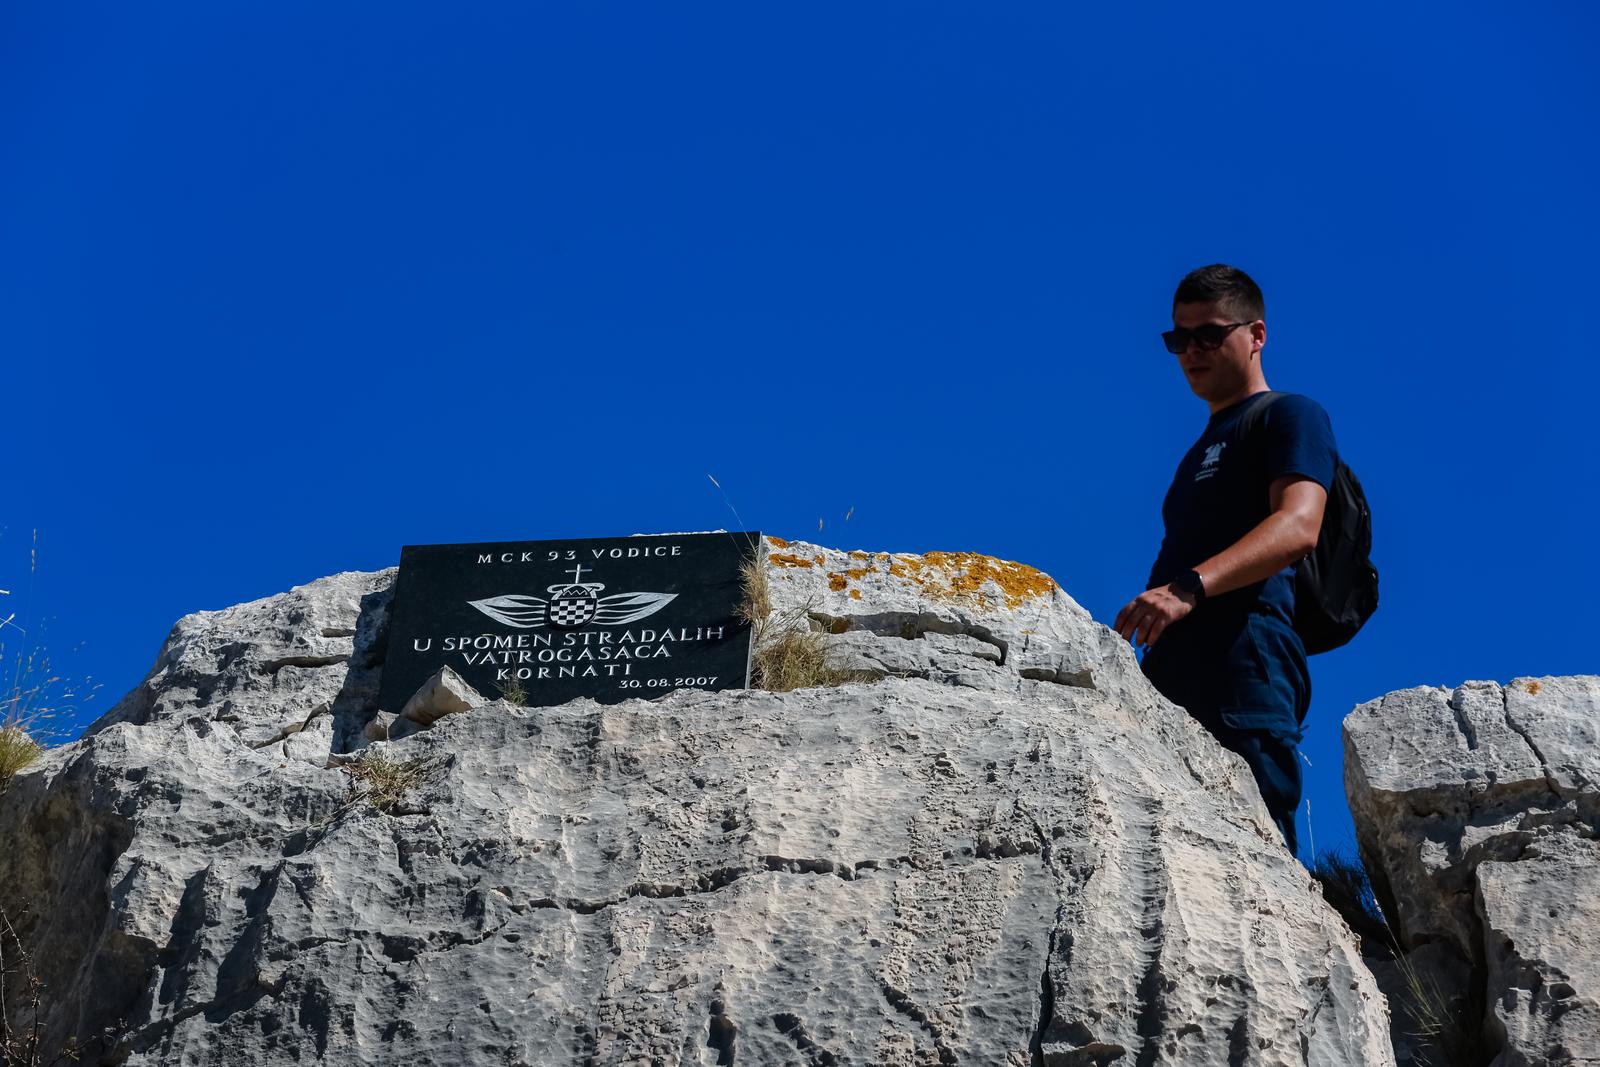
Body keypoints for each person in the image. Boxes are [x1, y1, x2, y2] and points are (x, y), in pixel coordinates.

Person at [1114, 264, 1337, 856]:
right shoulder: (1195, 453)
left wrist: (1188, 587)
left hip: (1247, 658)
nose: (1191, 351)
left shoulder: (1289, 415)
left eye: (1209, 335)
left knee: (1257, 842)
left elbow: (1299, 524)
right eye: (1178, 339)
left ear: (1256, 334)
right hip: (1175, 666)